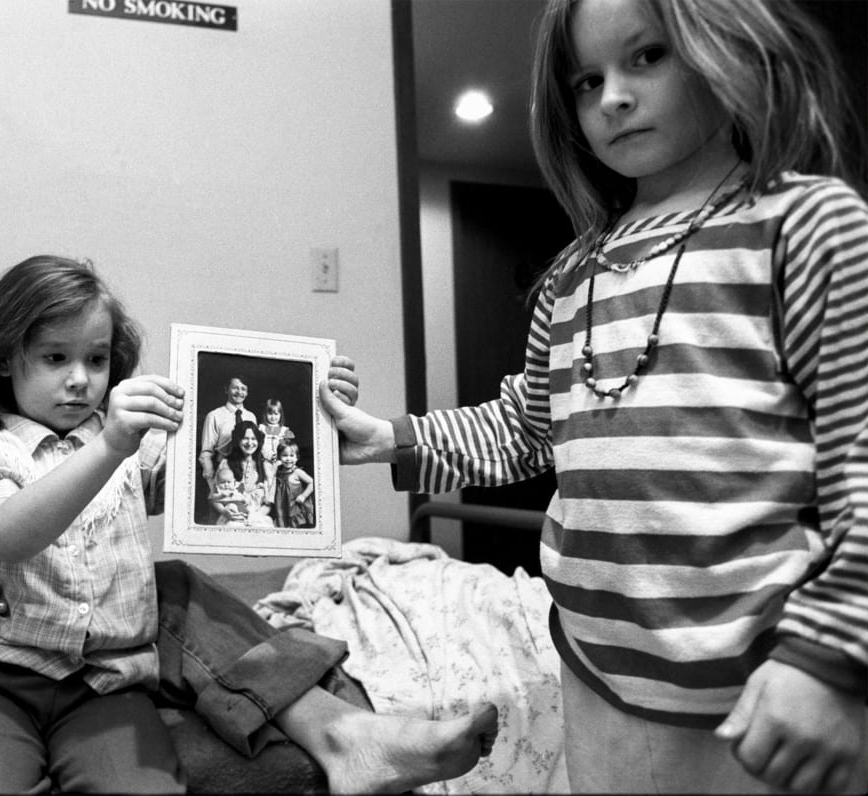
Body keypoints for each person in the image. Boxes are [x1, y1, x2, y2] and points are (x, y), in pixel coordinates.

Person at [0, 156, 499, 794]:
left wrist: (308, 418)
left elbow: (144, 490)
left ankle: (339, 732)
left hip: (19, 608)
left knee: (166, 585)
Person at [319, 0, 868, 792]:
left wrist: (828, 660)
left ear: (728, 49)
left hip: (760, 690)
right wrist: (389, 439)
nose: (612, 96)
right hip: (593, 680)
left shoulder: (803, 226)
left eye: (647, 57)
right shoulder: (572, 275)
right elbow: (523, 430)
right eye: (586, 79)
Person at [0, 256, 190, 792]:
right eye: (54, 358)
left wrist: (318, 415)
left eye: (97, 359)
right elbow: (8, 535)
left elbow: (215, 482)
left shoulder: (137, 450)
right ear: (3, 360)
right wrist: (111, 446)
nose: (80, 380)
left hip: (107, 687)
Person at [197, 375, 254, 487]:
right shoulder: (214, 416)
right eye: (235, 388)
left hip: (247, 472)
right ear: (226, 389)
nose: (239, 392)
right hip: (223, 471)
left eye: (243, 389)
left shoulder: (251, 417)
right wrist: (211, 479)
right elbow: (206, 452)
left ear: (247, 393)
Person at [226, 419, 276, 528]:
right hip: (234, 517)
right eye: (245, 438)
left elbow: (268, 504)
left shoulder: (266, 467)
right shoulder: (226, 464)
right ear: (238, 440)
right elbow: (215, 498)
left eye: (253, 439)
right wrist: (227, 512)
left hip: (259, 517)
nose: (250, 443)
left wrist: (254, 518)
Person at [272, 439, 315, 529]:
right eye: (284, 455)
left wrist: (303, 496)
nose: (288, 459)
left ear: (296, 458)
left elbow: (312, 482)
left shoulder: (297, 472)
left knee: (294, 526)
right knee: (282, 523)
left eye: (292, 456)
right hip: (282, 505)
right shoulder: (279, 470)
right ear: (279, 457)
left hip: (294, 506)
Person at [208, 461, 249, 525]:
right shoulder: (219, 491)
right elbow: (214, 498)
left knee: (250, 510)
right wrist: (221, 495)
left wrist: (245, 500)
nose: (226, 484)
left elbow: (244, 497)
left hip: (241, 512)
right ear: (217, 484)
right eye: (222, 482)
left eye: (229, 482)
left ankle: (245, 521)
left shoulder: (237, 489)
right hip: (226, 515)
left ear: (234, 482)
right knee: (231, 506)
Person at [258, 397, 294, 465]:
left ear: (280, 415)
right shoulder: (261, 429)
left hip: (280, 462)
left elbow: (289, 449)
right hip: (264, 461)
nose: (273, 417)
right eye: (270, 414)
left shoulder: (284, 431)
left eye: (276, 414)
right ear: (265, 414)